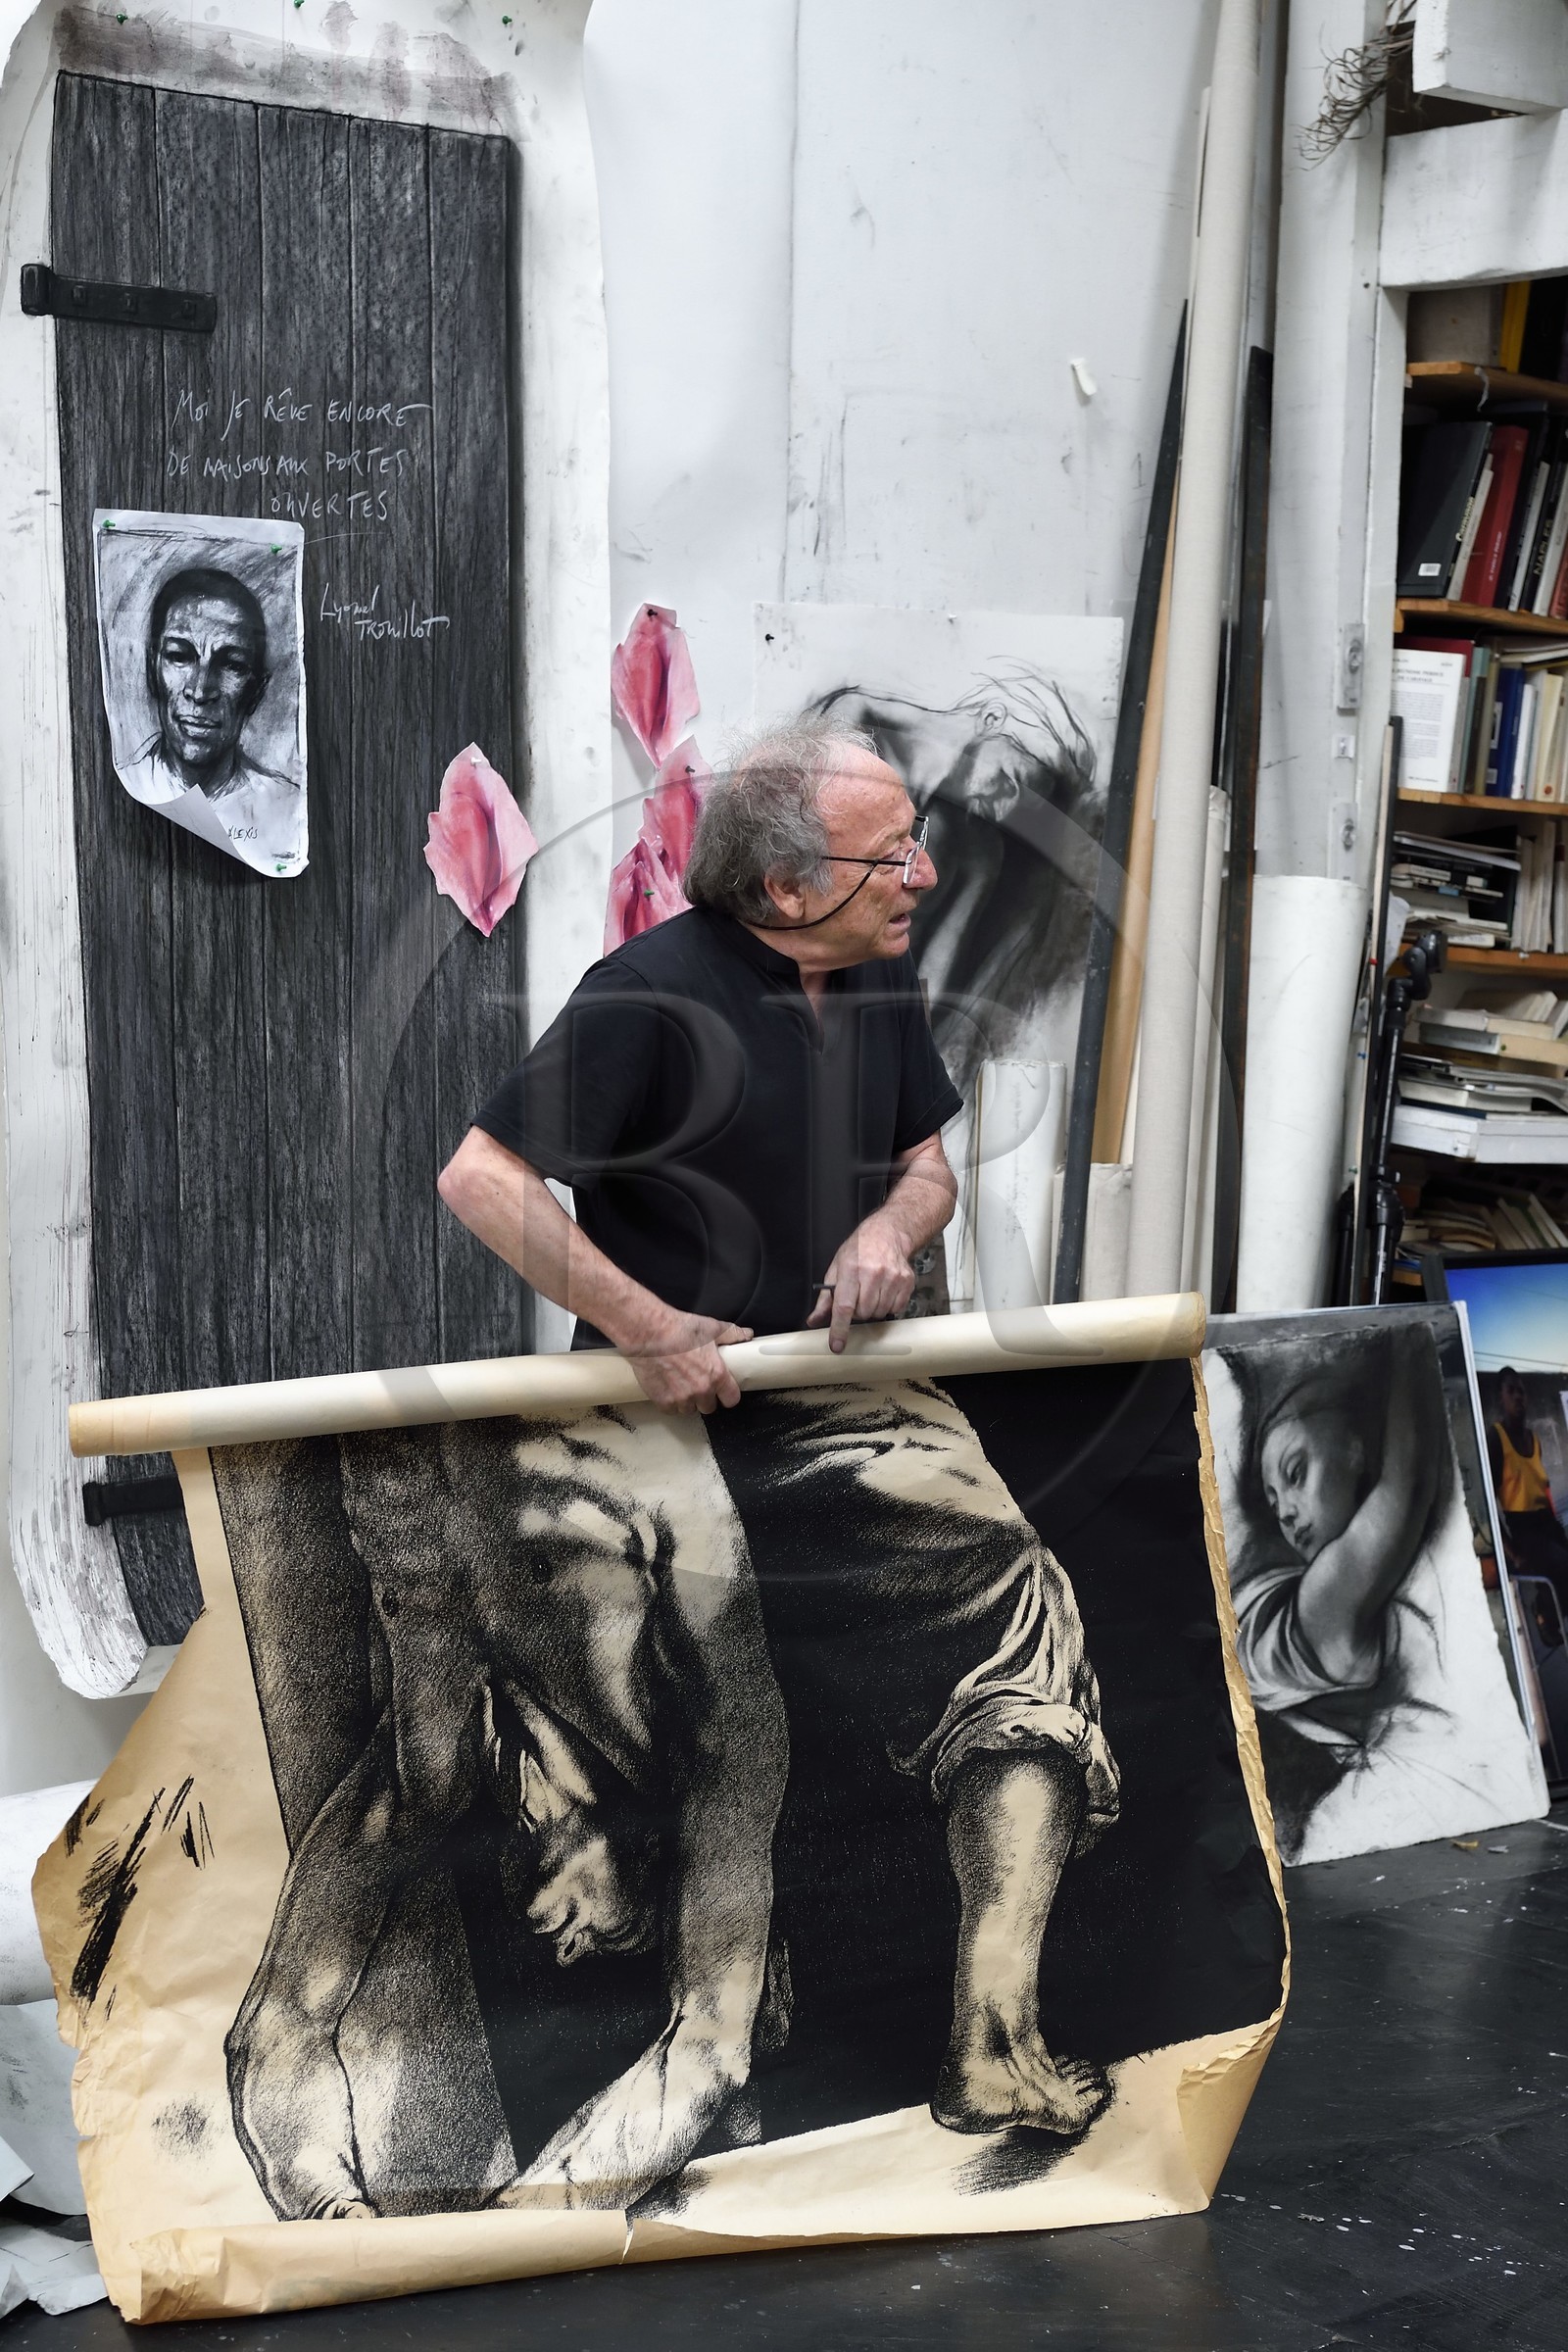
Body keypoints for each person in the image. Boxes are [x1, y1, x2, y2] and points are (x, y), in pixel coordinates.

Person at [437, 717, 964, 1412]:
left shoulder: (875, 966)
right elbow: (482, 1179)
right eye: (888, 857)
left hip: (841, 1407)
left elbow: (925, 1162)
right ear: (786, 890)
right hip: (674, 1413)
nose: (922, 874)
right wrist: (647, 1330)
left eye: (913, 837)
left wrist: (890, 1230)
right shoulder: (644, 992)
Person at [122, 565, 303, 867]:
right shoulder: (128, 787)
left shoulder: (284, 806)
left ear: (257, 690)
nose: (200, 690)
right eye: (179, 657)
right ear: (153, 672)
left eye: (232, 664)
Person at [1487, 1365, 1568, 1627]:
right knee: (1561, 1569)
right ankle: (1545, 1620)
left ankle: (1553, 1620)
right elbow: (1486, 1502)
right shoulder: (1496, 1438)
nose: (1518, 1396)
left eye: (1521, 1391)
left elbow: (1542, 1489)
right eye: (1511, 1391)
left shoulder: (1533, 1439)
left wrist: (1558, 1528)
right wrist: (1513, 1553)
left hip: (1548, 1525)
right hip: (1525, 1531)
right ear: (1501, 1397)